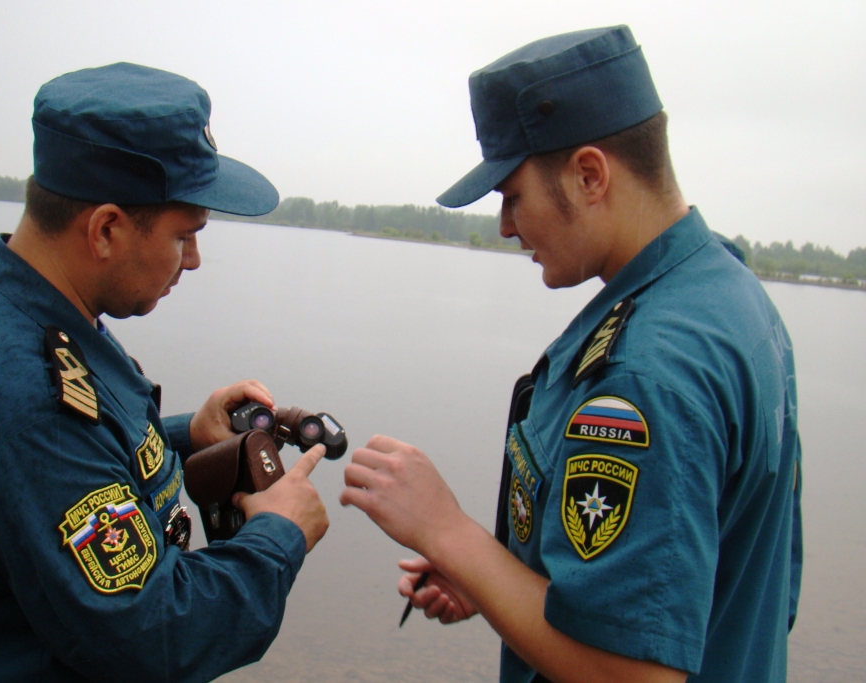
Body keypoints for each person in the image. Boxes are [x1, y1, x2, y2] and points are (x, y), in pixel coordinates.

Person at [340, 25, 802, 683]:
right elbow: (734, 571)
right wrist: (497, 574)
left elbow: (634, 673)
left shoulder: (646, 372)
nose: (505, 226)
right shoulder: (734, 301)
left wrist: (448, 531)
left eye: (512, 196)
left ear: (589, 175)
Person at [0, 62, 329, 683]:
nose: (194, 260)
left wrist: (185, 435)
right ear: (106, 230)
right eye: (184, 235)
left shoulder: (22, 308)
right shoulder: (26, 396)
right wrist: (279, 533)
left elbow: (65, 462)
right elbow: (154, 637)